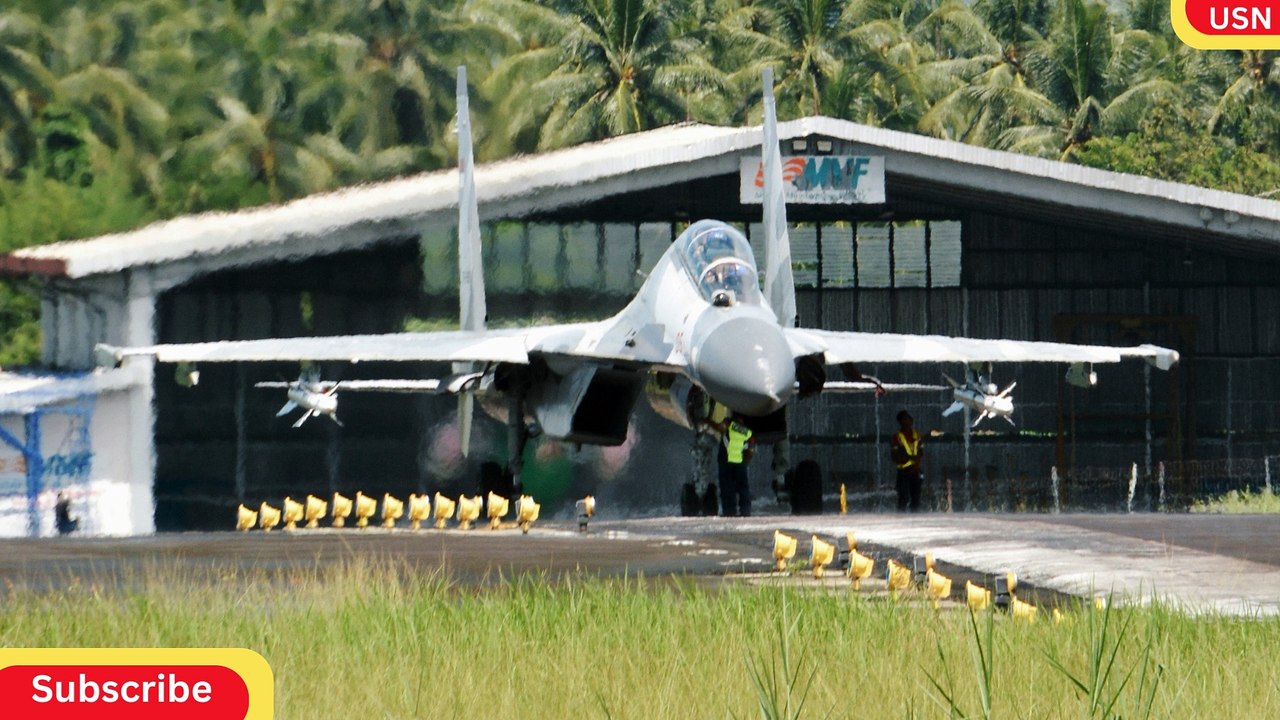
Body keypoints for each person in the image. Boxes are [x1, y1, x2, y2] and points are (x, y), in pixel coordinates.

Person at [717, 414, 755, 516]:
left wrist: (706, 421)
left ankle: (729, 512)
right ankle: (746, 511)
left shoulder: (730, 425)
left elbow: (718, 427)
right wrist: (746, 463)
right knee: (743, 487)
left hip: (726, 461)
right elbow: (750, 449)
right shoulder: (748, 432)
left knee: (727, 488)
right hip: (740, 462)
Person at [890, 410, 923, 512]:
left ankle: (915, 518)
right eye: (904, 419)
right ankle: (901, 518)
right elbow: (894, 456)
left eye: (909, 418)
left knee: (916, 498)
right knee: (903, 498)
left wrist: (917, 459)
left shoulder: (917, 435)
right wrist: (909, 458)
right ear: (900, 422)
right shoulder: (897, 437)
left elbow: (921, 451)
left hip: (915, 471)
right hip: (903, 472)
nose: (908, 421)